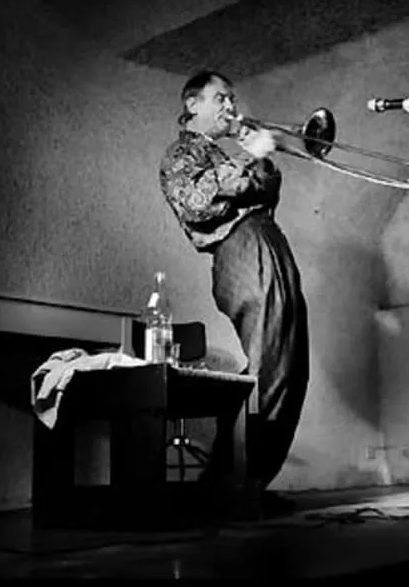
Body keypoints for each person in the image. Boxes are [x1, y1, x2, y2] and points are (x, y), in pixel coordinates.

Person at [159, 70, 310, 514]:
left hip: (266, 241)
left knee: (290, 367)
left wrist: (261, 157)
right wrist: (247, 155)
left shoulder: (222, 153)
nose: (230, 106)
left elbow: (267, 190)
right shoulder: (182, 153)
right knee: (271, 367)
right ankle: (233, 485)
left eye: (232, 99)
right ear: (192, 104)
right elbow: (196, 204)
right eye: (220, 98)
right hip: (241, 249)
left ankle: (245, 482)